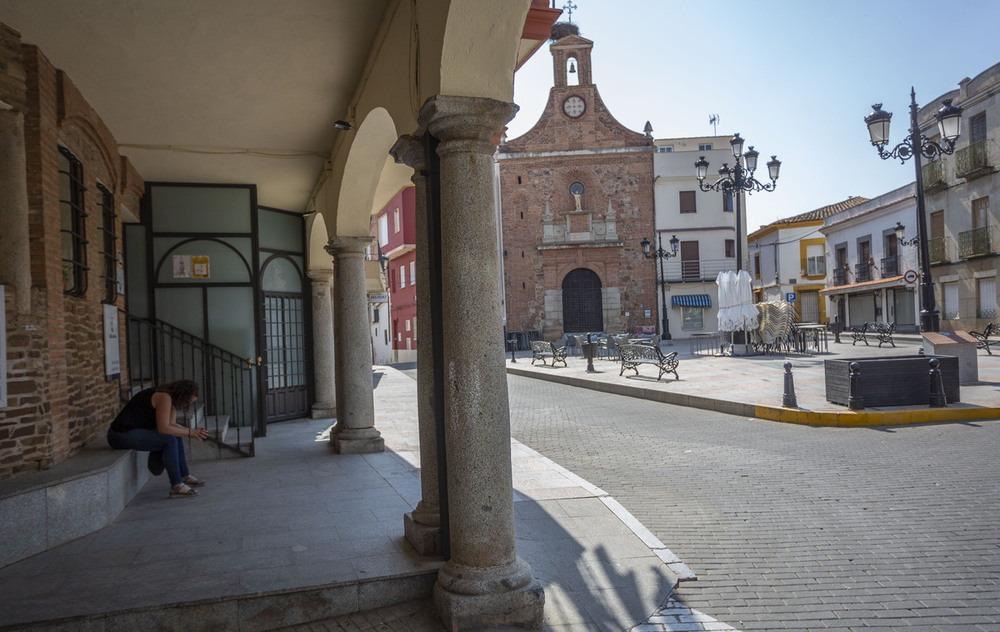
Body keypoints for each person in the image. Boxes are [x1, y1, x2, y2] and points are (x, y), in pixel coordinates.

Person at [107, 379, 208, 498]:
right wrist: (190, 432)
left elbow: (172, 424)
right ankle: (176, 486)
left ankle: (184, 475)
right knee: (169, 440)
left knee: (176, 435)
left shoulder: (170, 398)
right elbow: (163, 429)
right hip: (119, 435)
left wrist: (192, 432)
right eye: (188, 402)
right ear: (182, 396)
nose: (187, 405)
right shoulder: (163, 397)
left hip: (135, 431)